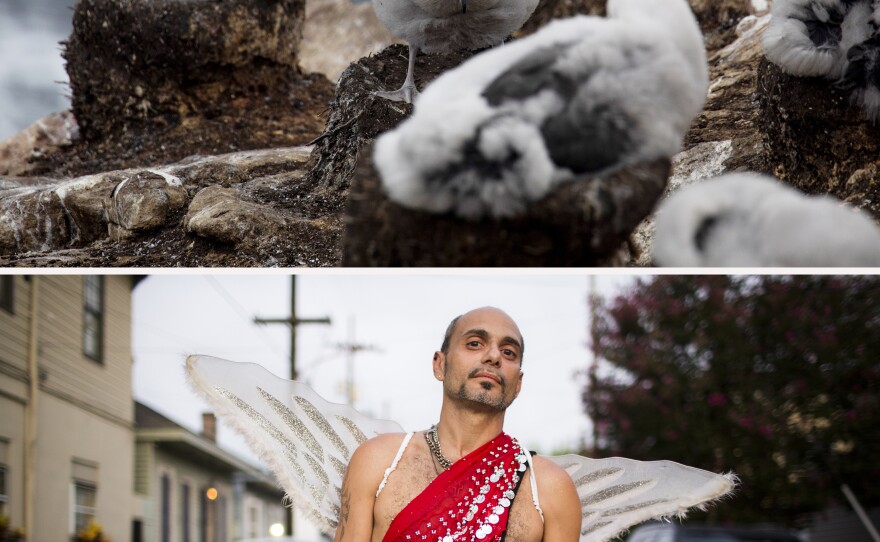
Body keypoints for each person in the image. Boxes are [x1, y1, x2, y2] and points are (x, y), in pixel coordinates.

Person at [334, 306, 582, 542]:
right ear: (440, 365)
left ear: (518, 383)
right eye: (475, 343)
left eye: (508, 352)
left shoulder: (548, 487)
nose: (494, 356)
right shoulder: (378, 460)